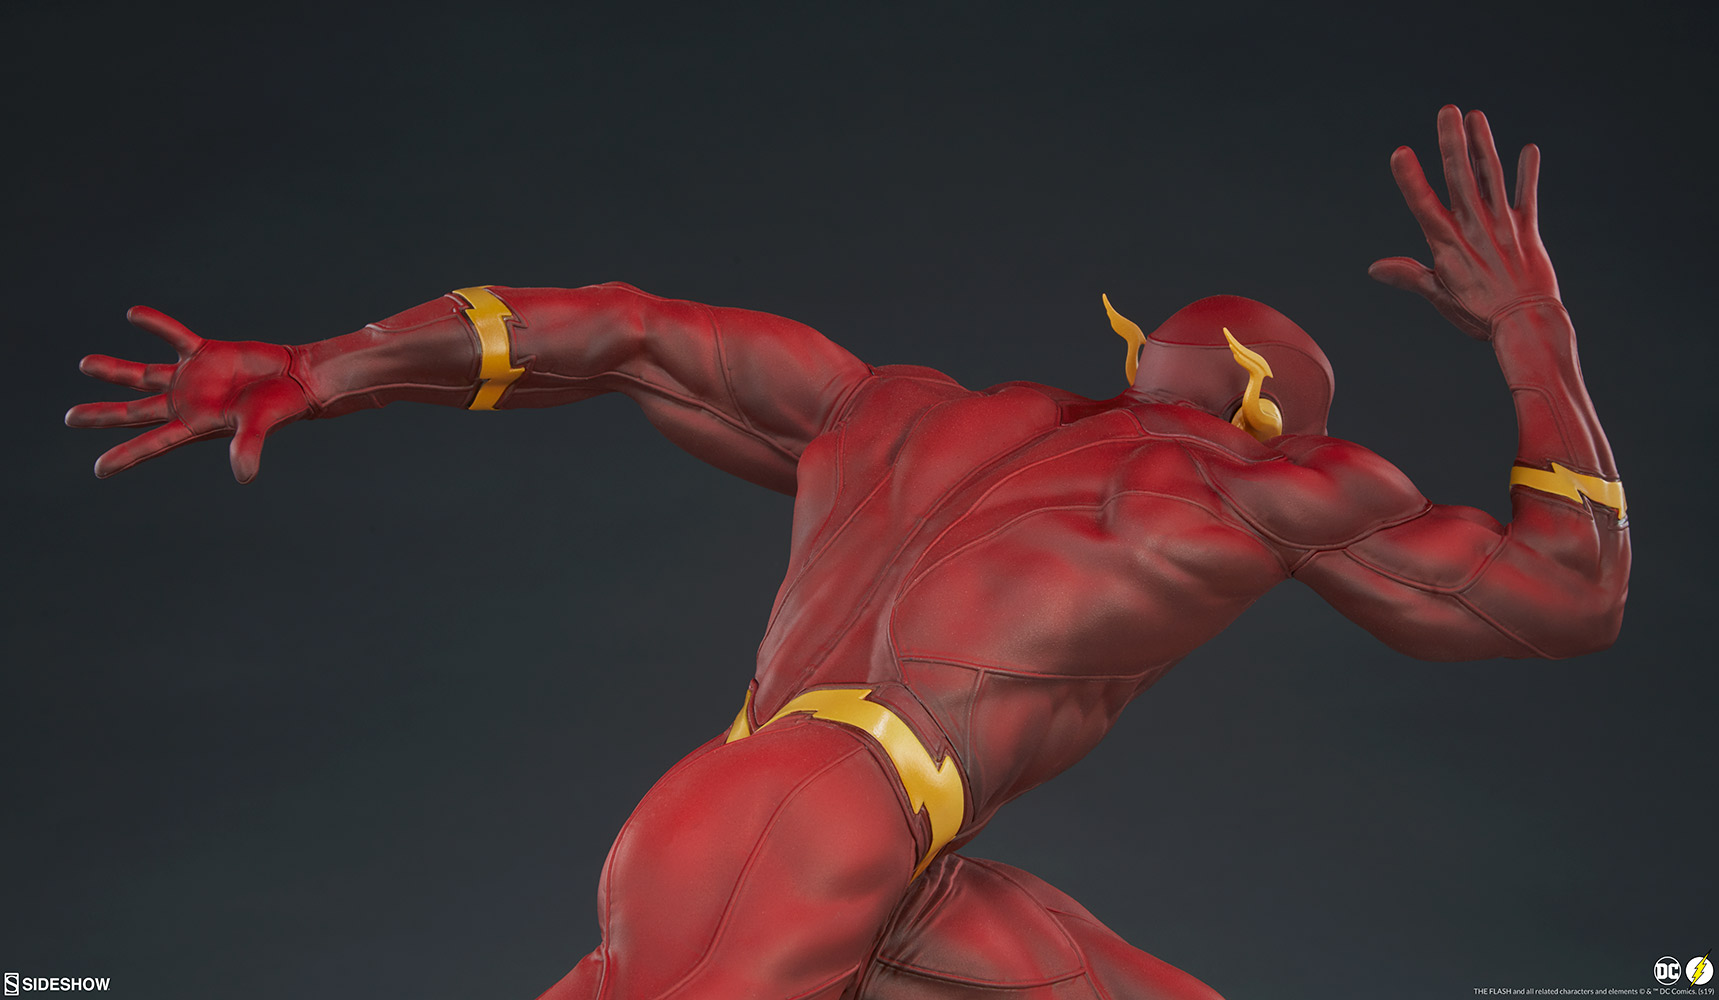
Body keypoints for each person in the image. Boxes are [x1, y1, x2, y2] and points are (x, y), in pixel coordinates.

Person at [69, 107, 1628, 999]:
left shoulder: (891, 412)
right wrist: (1535, 336)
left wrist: (327, 365)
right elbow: (1568, 594)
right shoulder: (1258, 482)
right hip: (814, 822)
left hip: (822, 830)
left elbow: (627, 331)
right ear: (1269, 410)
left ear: (1145, 357)